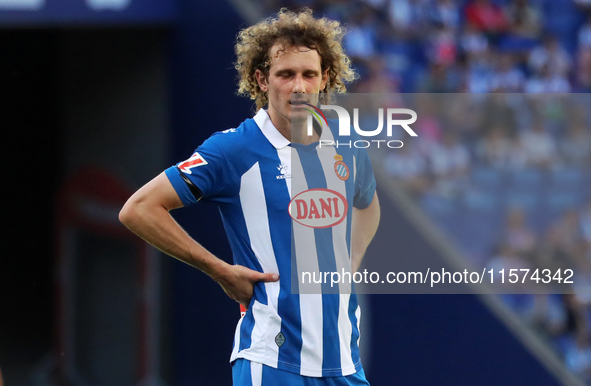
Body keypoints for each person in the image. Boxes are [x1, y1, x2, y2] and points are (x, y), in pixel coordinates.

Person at [119, 8, 380, 386]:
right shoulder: (233, 149)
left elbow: (367, 204)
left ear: (325, 78)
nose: (299, 87)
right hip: (271, 362)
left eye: (309, 74)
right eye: (285, 74)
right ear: (261, 79)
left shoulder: (346, 143)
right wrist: (218, 268)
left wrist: (352, 260)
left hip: (344, 365)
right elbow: (139, 209)